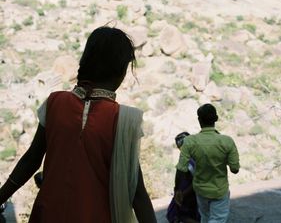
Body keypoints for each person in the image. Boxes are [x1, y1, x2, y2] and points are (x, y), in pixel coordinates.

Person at [0, 26, 156, 223]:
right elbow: (137, 192)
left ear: (85, 61)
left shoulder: (55, 103)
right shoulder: (124, 119)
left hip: (47, 215)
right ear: (121, 72)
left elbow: (31, 160)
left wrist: (1, 196)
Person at [176, 104, 240, 223]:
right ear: (216, 119)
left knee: (205, 218)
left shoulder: (189, 142)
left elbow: (181, 168)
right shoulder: (227, 141)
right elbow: (235, 169)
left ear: (199, 120)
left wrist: (178, 190)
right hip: (219, 191)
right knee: (217, 219)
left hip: (200, 191)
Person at [167, 132, 200, 223]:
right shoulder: (189, 158)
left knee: (176, 215)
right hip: (185, 195)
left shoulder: (190, 160)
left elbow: (196, 181)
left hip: (190, 196)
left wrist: (182, 194)